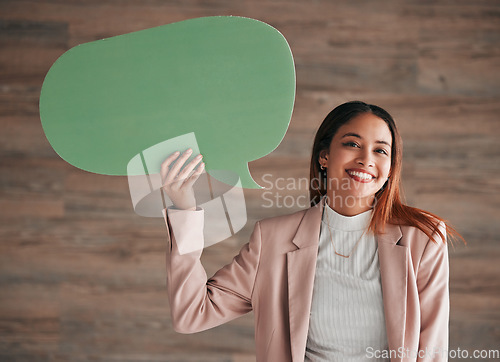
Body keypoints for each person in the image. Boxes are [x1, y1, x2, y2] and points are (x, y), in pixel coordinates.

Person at [160, 101, 461, 362]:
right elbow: (192, 313)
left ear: (391, 167)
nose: (366, 159)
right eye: (352, 144)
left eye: (380, 150)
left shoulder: (424, 238)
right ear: (324, 157)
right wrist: (184, 208)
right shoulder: (273, 240)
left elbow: (431, 351)